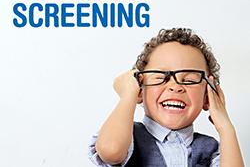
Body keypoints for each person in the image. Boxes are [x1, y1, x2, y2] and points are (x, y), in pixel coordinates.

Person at [88, 28, 244, 166]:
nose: (175, 87)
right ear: (140, 90)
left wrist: (225, 127)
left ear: (207, 96)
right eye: (160, 77)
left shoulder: (210, 149)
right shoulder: (127, 137)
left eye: (189, 80)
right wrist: (128, 93)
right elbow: (111, 151)